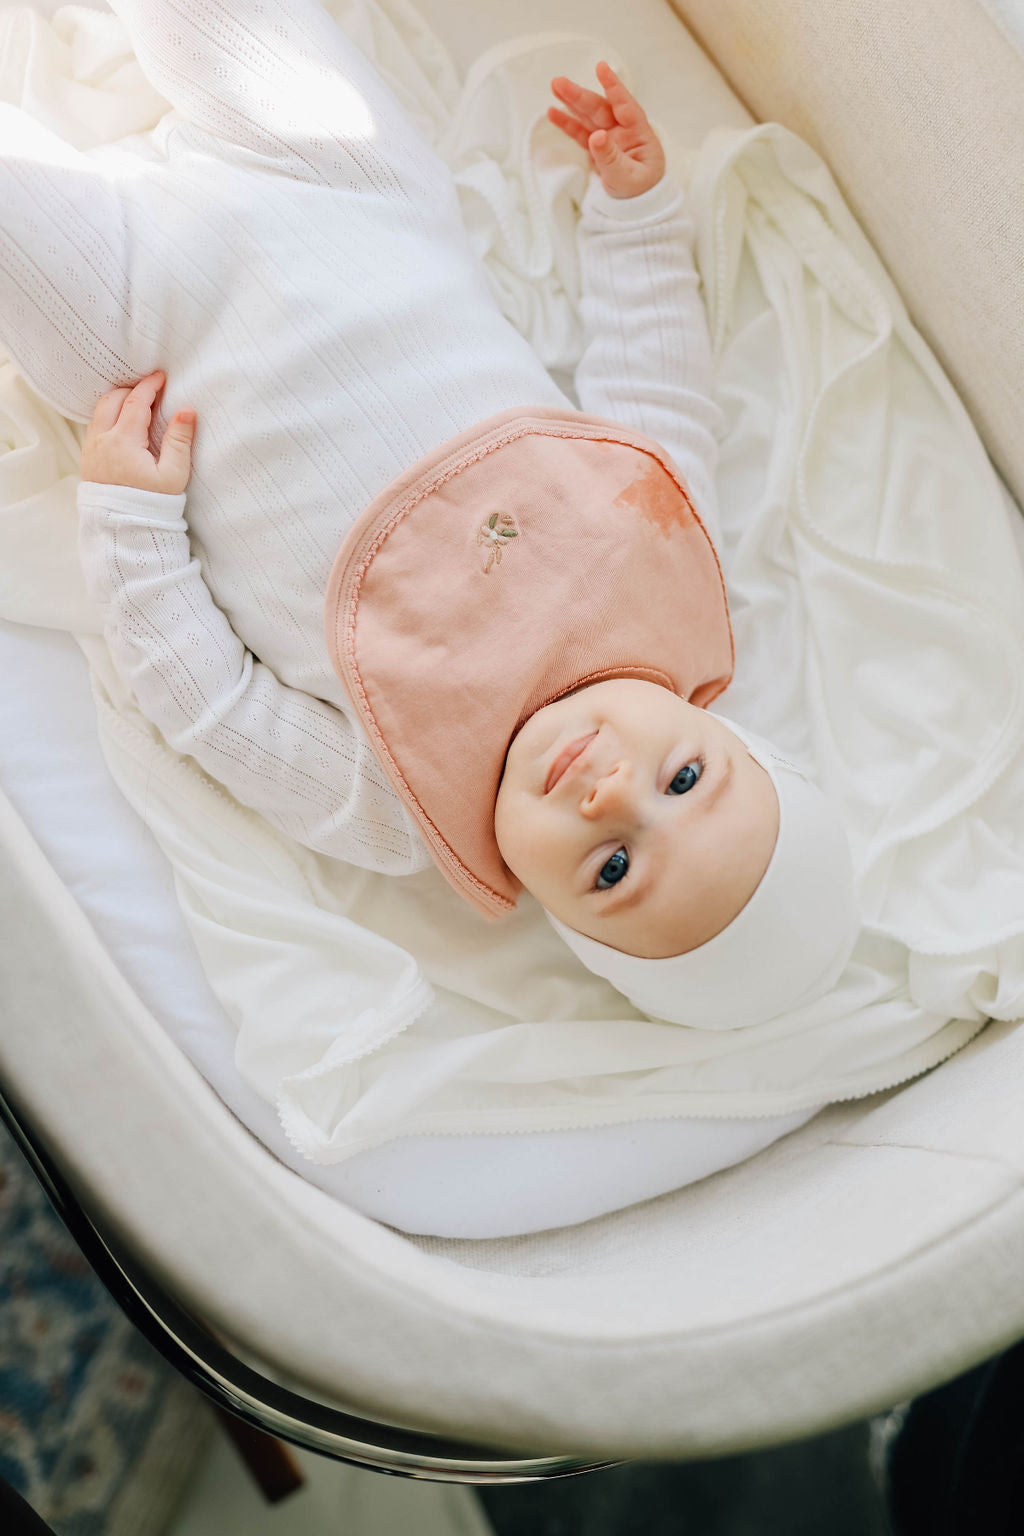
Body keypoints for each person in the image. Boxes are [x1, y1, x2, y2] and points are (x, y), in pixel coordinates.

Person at [3, 0, 858, 1029]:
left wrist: (128, 519)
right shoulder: (673, 583)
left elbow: (214, 708)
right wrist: (637, 217)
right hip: (343, 190)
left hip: (148, 333)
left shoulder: (400, 809)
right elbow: (659, 391)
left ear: (554, 912)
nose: (610, 792)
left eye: (612, 866)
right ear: (734, 736)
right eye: (684, 777)